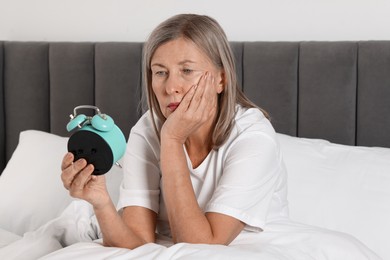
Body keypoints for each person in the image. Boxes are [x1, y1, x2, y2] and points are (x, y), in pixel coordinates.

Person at [60, 13, 289, 249]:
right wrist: (101, 203)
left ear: (221, 79)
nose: (171, 87)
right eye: (160, 72)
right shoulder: (147, 130)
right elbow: (137, 243)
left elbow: (202, 247)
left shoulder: (253, 137)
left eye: (187, 71)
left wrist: (172, 140)